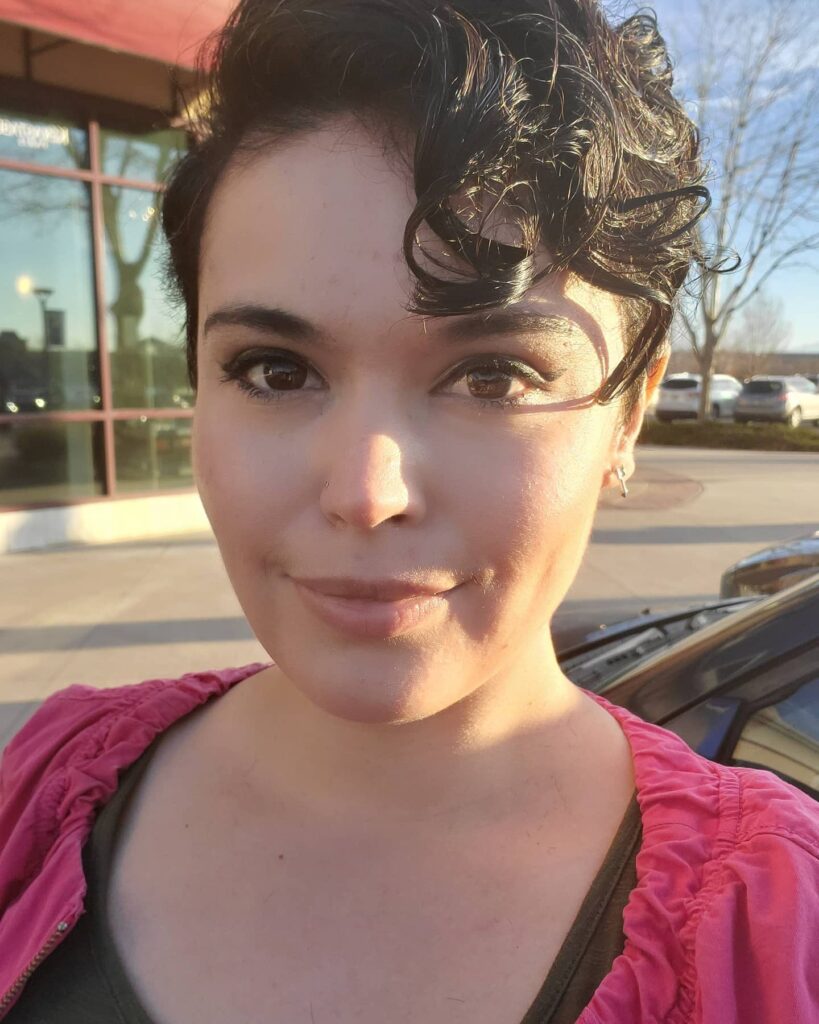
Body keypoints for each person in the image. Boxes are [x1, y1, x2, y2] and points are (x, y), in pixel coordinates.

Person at [1, 1, 817, 1021]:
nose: (366, 493)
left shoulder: (780, 928)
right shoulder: (43, 790)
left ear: (628, 414)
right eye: (275, 369)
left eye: (493, 376)